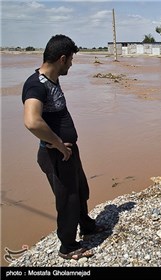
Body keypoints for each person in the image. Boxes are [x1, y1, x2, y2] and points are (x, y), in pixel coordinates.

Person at [22, 34, 106, 260]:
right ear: (61, 58)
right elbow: (31, 121)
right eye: (70, 60)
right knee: (67, 199)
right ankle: (67, 246)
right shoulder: (35, 85)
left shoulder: (52, 80)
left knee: (80, 190)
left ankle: (86, 226)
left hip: (67, 151)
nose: (71, 64)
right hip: (55, 154)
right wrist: (58, 144)